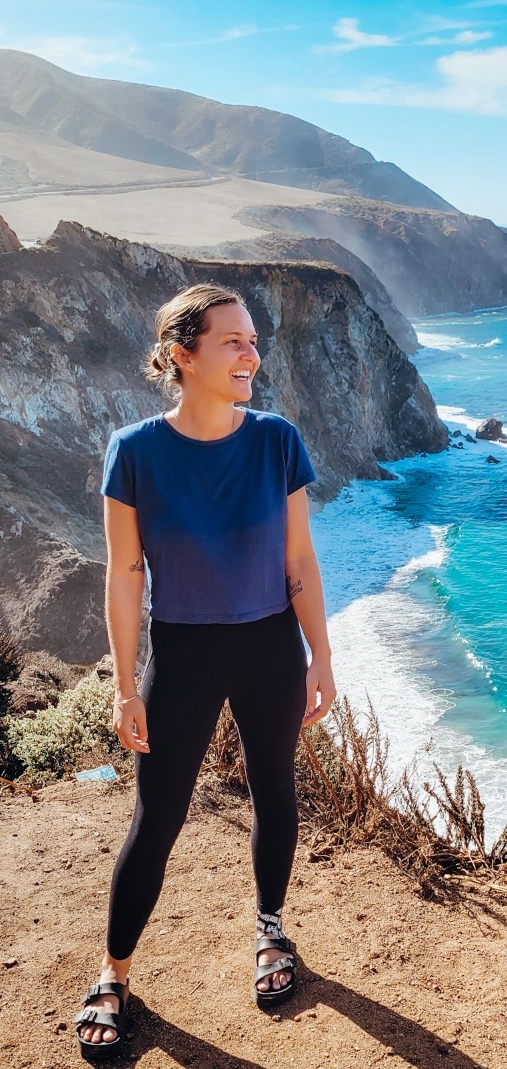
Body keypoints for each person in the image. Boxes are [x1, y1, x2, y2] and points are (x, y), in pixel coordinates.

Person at [74, 283, 337, 1060]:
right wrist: (126, 685)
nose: (252, 354)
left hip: (269, 648)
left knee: (276, 792)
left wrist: (321, 654)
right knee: (156, 819)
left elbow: (298, 558)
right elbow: (124, 575)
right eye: (233, 342)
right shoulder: (135, 451)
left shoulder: (277, 440)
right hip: (181, 651)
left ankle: (271, 934)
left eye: (255, 340)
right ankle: (114, 972)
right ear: (182, 356)